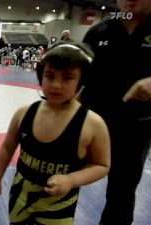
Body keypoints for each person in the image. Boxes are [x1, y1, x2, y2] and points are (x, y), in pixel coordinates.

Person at [0, 42, 111, 225]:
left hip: (59, 206)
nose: (56, 85)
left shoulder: (92, 124)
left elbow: (102, 165)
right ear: (40, 76)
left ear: (82, 82)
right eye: (49, 76)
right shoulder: (24, 113)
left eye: (68, 78)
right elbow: (7, 147)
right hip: (20, 197)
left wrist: (71, 180)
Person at [82, 1, 151, 225]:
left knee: (121, 195)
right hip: (92, 125)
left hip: (136, 130)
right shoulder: (97, 33)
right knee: (58, 179)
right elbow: (82, 84)